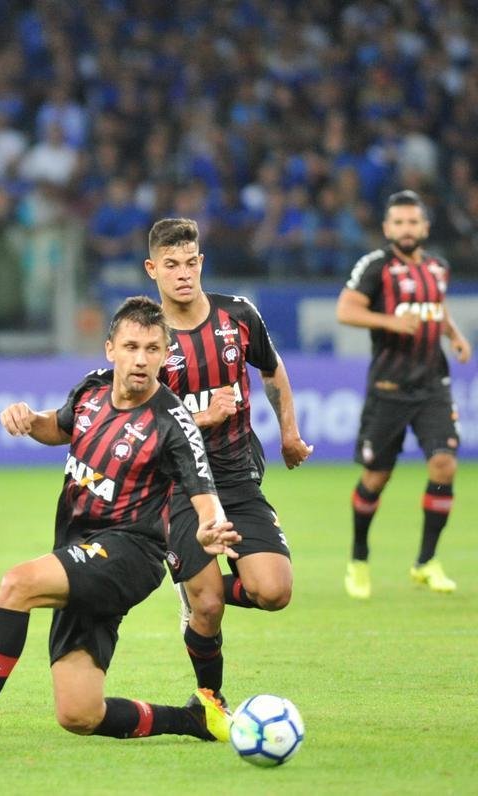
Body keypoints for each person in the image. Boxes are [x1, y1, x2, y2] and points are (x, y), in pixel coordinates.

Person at [0, 296, 239, 755]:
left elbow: (204, 496)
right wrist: (29, 419)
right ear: (111, 349)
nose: (140, 359)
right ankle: (194, 719)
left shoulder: (173, 423)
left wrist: (211, 526)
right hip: (79, 549)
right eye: (131, 347)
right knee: (79, 714)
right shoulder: (92, 389)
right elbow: (58, 427)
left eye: (152, 349)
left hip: (130, 553)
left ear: (165, 355)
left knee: (17, 585)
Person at [144, 218, 313, 707]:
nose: (182, 274)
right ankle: (211, 700)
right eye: (171, 265)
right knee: (209, 607)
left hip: (237, 477)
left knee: (274, 592)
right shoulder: (146, 336)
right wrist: (202, 417)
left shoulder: (238, 314)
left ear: (201, 262)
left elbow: (272, 369)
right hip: (177, 488)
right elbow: (140, 425)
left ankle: (196, 586)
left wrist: (289, 433)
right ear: (152, 269)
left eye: (190, 263)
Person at [337, 190, 471, 598]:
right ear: (387, 228)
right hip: (389, 389)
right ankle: (359, 559)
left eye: (413, 222)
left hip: (432, 386)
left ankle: (426, 562)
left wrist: (454, 334)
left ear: (425, 227)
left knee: (444, 465)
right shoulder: (375, 266)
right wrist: (390, 322)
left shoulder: (438, 267)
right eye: (399, 222)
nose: (406, 229)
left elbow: (436, 307)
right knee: (376, 478)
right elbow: (346, 310)